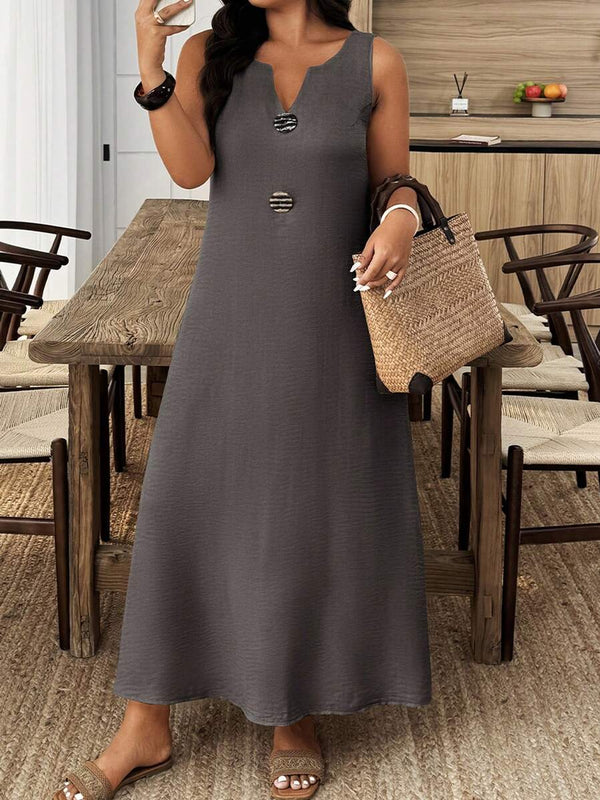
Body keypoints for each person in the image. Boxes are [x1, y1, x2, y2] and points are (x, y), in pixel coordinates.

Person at [54, 0, 431, 797]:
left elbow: (392, 180)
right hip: (228, 311)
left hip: (333, 323)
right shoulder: (207, 53)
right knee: (184, 500)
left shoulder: (377, 62)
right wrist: (152, 71)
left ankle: (292, 711)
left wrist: (402, 216)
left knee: (309, 508)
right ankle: (145, 721)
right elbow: (191, 170)